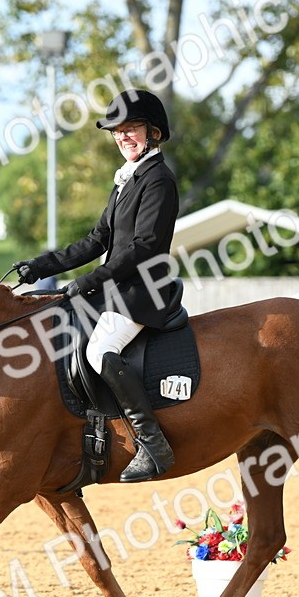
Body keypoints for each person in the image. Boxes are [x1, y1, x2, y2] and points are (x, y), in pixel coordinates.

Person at [14, 89, 180, 482]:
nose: (123, 137)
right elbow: (96, 240)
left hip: (143, 292)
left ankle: (152, 443)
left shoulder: (158, 180)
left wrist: (89, 281)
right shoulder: (127, 179)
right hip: (117, 290)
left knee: (101, 349)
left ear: (153, 133)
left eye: (132, 128)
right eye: (118, 131)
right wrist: (41, 266)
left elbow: (143, 247)